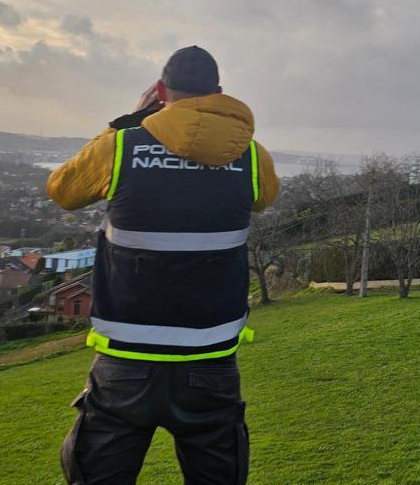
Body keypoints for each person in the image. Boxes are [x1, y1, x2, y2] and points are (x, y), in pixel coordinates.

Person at [48, 45, 279, 485]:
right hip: (210, 361)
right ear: (218, 93)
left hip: (124, 363)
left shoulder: (121, 147)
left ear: (159, 91)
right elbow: (264, 199)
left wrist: (128, 124)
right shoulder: (253, 158)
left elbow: (63, 189)